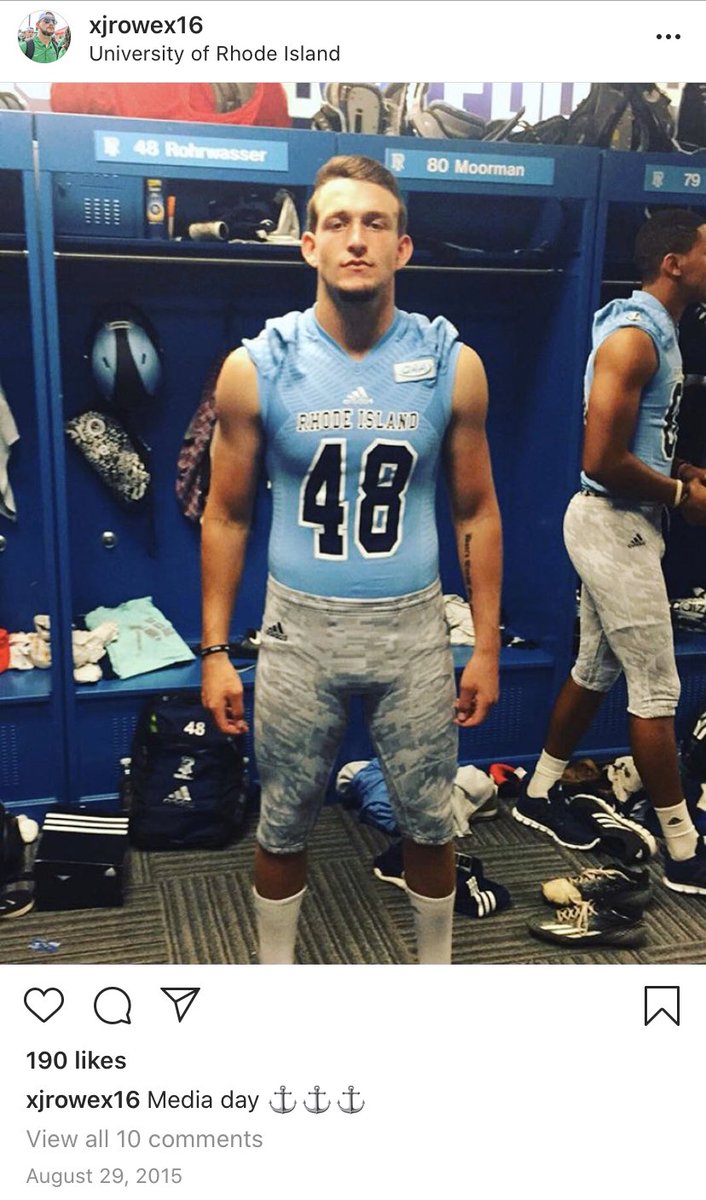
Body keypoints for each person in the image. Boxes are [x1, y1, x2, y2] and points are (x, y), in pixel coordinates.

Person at [201, 154, 502, 964]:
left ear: (403, 247)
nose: (357, 239)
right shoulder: (257, 366)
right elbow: (225, 515)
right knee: (282, 822)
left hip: (413, 635)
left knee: (431, 820)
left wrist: (485, 644)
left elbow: (476, 510)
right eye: (338, 223)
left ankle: (434, 976)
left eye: (376, 223)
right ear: (310, 245)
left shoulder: (451, 363)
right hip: (298, 635)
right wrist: (216, 651)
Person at [514, 208, 706, 898]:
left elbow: (638, 437)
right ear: (673, 263)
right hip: (610, 523)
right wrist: (680, 497)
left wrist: (679, 469)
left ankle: (538, 792)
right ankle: (684, 852)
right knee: (657, 687)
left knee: (595, 668)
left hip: (625, 521)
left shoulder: (662, 332)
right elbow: (599, 459)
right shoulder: (633, 340)